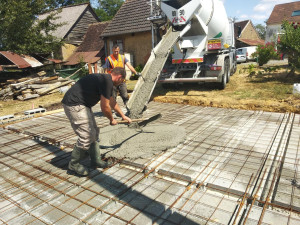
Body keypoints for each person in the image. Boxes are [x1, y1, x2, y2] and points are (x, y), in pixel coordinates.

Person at [62, 67, 132, 176]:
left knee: (94, 132)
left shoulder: (105, 80)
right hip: (74, 104)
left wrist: (123, 116)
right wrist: (112, 119)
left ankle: (95, 160)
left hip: (83, 105)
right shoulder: (107, 82)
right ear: (119, 77)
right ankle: (73, 164)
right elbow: (105, 107)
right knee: (86, 136)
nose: (120, 84)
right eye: (122, 81)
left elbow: (112, 101)